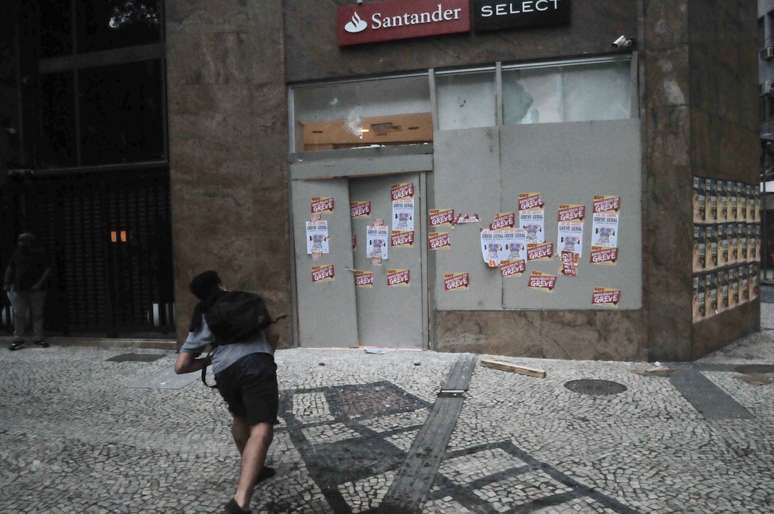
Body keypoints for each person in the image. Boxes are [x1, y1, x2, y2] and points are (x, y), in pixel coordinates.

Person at [175, 271, 279, 514]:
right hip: (257, 365)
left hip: (225, 372)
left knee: (240, 417)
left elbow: (181, 366)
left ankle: (256, 468)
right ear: (221, 284)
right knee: (262, 428)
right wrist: (266, 356)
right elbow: (273, 334)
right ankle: (240, 502)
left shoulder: (204, 313)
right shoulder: (247, 299)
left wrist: (209, 362)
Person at [3, 232, 51, 351]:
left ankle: (38, 337)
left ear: (30, 242)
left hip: (37, 289)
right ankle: (18, 339)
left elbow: (47, 269)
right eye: (20, 240)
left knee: (37, 314)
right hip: (20, 289)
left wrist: (39, 284)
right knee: (19, 314)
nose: (21, 243)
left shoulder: (39, 253)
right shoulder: (17, 253)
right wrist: (6, 282)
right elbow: (10, 267)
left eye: (24, 241)